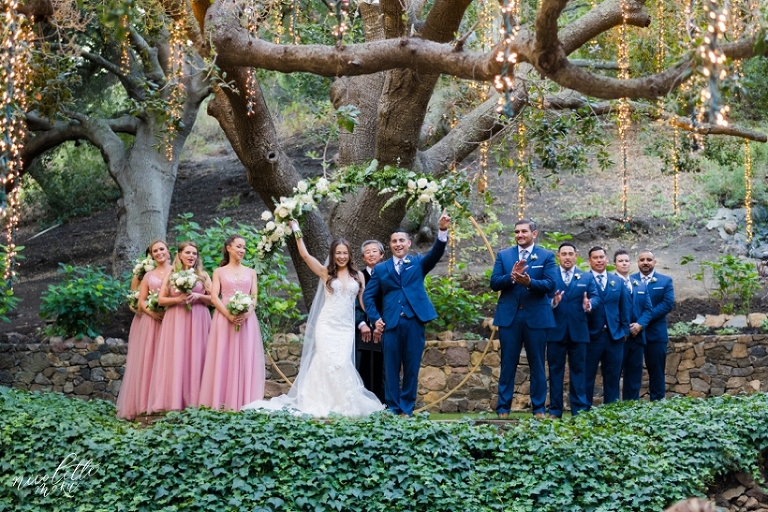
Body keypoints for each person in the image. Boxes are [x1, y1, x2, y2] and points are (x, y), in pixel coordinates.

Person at [244, 226, 383, 417]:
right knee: (325, 361)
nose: (341, 256)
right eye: (338, 253)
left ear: (350, 255)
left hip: (345, 327)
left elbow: (364, 303)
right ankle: (320, 402)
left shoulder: (358, 276)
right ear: (333, 255)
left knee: (342, 363)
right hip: (327, 325)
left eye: (345, 253)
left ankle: (343, 403)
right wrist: (296, 230)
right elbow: (305, 256)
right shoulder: (326, 273)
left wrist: (376, 319)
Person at [364, 210, 452, 416]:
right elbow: (368, 297)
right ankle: (393, 408)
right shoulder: (381, 269)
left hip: (414, 321)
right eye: (394, 241)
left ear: (409, 243)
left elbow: (436, 253)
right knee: (391, 368)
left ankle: (407, 408)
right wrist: (376, 319)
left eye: (401, 240)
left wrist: (442, 230)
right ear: (390, 245)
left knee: (412, 367)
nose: (398, 244)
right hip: (391, 323)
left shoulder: (418, 263)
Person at [490, 219, 557, 418]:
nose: (519, 235)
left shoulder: (546, 256)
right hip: (510, 317)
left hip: (536, 317)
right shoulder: (504, 255)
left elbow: (551, 284)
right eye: (517, 232)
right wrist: (511, 277)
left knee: (537, 363)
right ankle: (503, 408)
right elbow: (494, 283)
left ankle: (538, 409)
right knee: (507, 363)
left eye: (524, 232)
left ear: (534, 234)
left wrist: (529, 282)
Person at [199, 235, 265, 411]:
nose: (242, 250)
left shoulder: (251, 272)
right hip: (224, 318)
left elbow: (254, 296)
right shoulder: (219, 272)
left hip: (246, 320)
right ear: (228, 248)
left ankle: (245, 400)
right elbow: (214, 296)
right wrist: (228, 315)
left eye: (244, 247)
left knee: (245, 356)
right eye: (238, 247)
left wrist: (248, 312)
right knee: (224, 355)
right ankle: (222, 401)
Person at [147, 241, 212, 413]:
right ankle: (175, 400)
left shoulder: (203, 275)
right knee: (177, 357)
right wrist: (178, 299)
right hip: (176, 319)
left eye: (194, 253)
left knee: (198, 356)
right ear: (180, 255)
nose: (192, 256)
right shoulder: (172, 275)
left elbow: (213, 298)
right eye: (188, 253)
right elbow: (161, 300)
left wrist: (197, 295)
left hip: (198, 318)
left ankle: (199, 400)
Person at [116, 239, 172, 419]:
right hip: (151, 321)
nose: (159, 253)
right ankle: (146, 402)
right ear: (151, 255)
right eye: (155, 251)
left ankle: (169, 400)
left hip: (172, 321)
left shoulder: (178, 272)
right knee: (150, 359)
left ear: (168, 251)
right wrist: (152, 313)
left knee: (169, 359)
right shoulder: (148, 275)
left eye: (161, 249)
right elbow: (139, 300)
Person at [547, 242, 598, 418]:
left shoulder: (586, 277)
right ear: (558, 256)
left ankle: (579, 411)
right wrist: (553, 302)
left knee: (579, 372)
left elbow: (595, 296)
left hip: (579, 332)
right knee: (555, 372)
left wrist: (589, 305)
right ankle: (555, 411)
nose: (567, 257)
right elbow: (541, 298)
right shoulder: (550, 275)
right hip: (555, 331)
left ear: (576, 256)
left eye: (570, 254)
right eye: (564, 254)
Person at [585, 246, 630, 407]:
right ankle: (585, 411)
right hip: (591, 336)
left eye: (601, 257)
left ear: (606, 259)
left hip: (614, 336)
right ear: (589, 261)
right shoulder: (584, 280)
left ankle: (611, 411)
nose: (599, 260)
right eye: (595, 257)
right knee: (587, 376)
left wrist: (624, 331)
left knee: (613, 376)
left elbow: (624, 307)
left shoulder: (617, 281)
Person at [631, 250, 675, 401]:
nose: (645, 262)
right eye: (642, 259)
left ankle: (657, 405)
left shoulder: (665, 281)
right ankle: (631, 404)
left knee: (657, 372)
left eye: (649, 259)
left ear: (654, 262)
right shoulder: (629, 280)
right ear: (637, 262)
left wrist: (643, 321)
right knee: (632, 371)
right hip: (634, 334)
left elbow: (667, 304)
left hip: (656, 334)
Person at [614, 249, 653, 401]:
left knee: (634, 374)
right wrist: (623, 328)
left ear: (630, 263)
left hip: (637, 337)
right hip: (618, 337)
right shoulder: (611, 283)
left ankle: (632, 407)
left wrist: (640, 325)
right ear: (615, 264)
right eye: (620, 261)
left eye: (626, 261)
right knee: (615, 374)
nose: (624, 263)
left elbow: (648, 309)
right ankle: (614, 407)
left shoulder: (640, 284)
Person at [354, 239, 386, 402]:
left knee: (384, 369)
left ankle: (384, 405)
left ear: (382, 255)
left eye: (375, 251)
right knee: (362, 367)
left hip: (384, 329)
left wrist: (380, 325)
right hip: (363, 331)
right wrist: (362, 324)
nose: (371, 254)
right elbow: (352, 304)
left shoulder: (389, 276)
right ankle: (362, 404)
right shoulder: (357, 277)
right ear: (363, 258)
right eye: (368, 252)